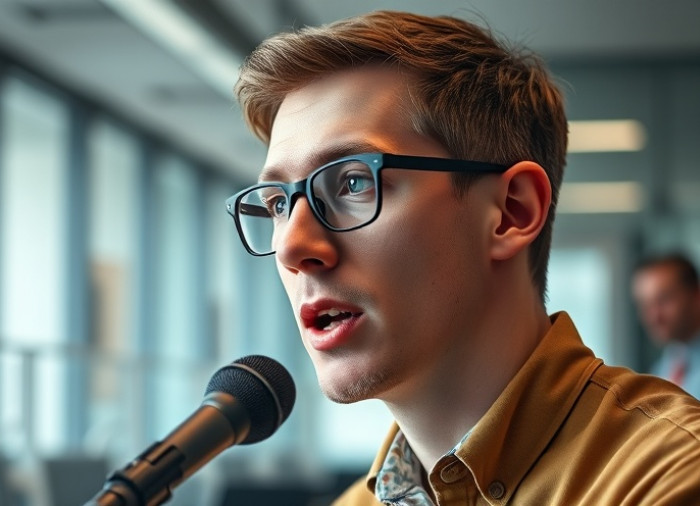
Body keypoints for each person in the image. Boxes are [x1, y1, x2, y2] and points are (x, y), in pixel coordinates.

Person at [226, 10, 700, 505]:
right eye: (279, 204)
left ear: (511, 212)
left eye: (352, 183)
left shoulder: (669, 477)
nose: (293, 247)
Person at [632, 253, 700, 397]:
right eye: (645, 305)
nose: (654, 317)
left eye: (664, 300)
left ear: (696, 295)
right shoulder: (661, 371)